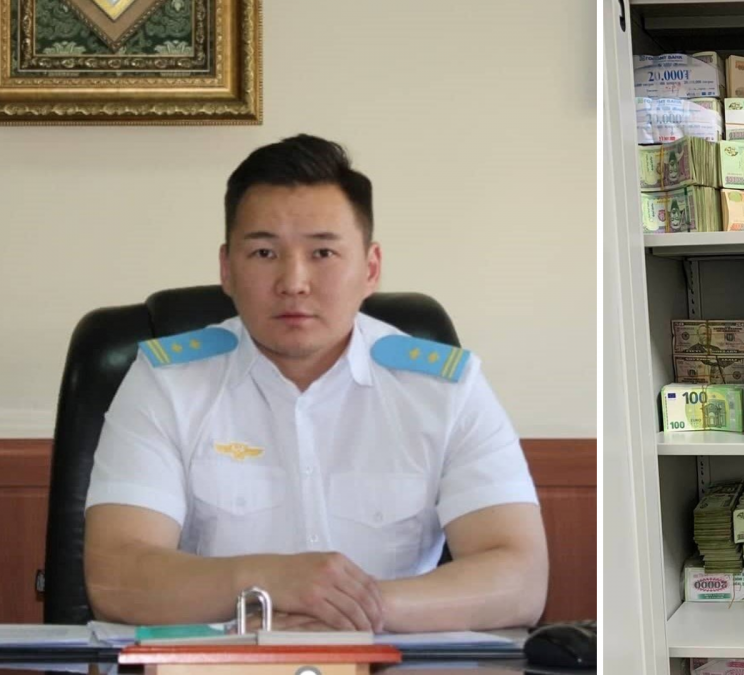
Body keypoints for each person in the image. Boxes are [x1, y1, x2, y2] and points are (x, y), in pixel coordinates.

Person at [83, 135, 549, 633]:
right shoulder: (166, 384)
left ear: (370, 269)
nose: (293, 282)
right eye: (264, 252)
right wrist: (268, 583)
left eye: (323, 252)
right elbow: (116, 577)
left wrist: (354, 611)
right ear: (227, 269)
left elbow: (519, 578)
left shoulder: (445, 390)